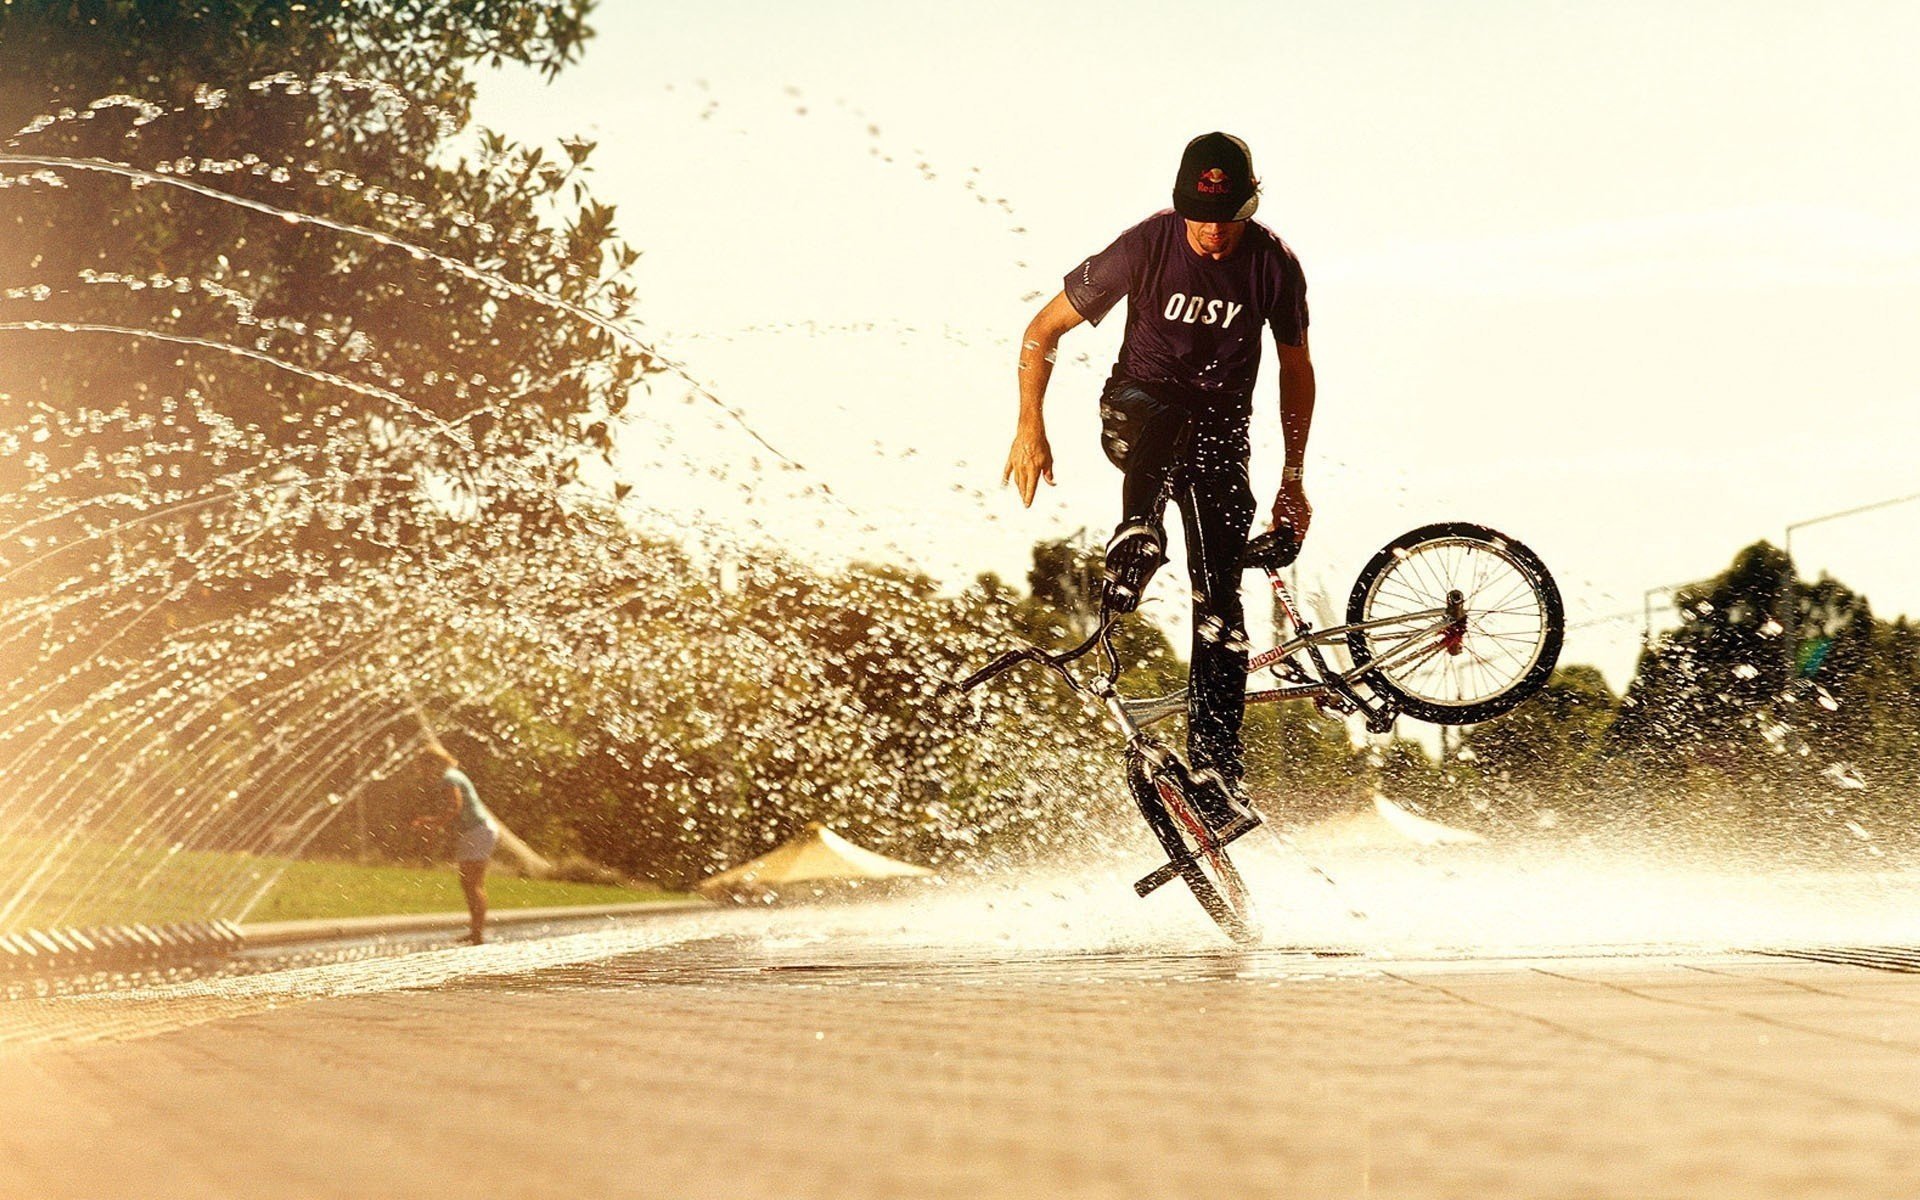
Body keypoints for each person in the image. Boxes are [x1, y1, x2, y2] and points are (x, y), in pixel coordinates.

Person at [1001, 131, 1316, 825]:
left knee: (1220, 599)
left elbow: (1296, 369)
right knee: (1173, 408)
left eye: (1224, 218)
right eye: (1198, 217)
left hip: (1220, 445)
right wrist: (1031, 426)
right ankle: (1136, 532)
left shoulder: (1272, 265)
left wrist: (1292, 478)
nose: (1209, 234)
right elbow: (1041, 329)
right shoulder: (1145, 244)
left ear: (1250, 205)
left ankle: (1215, 772)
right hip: (1135, 417)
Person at [419, 743, 497, 944]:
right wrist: (434, 821)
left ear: (433, 763)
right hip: (476, 831)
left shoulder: (449, 778)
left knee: (473, 885)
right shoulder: (452, 775)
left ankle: (478, 933)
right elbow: (455, 809)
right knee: (470, 884)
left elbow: (455, 806)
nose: (423, 771)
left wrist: (434, 824)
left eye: (424, 766)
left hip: (477, 831)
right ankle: (476, 931)